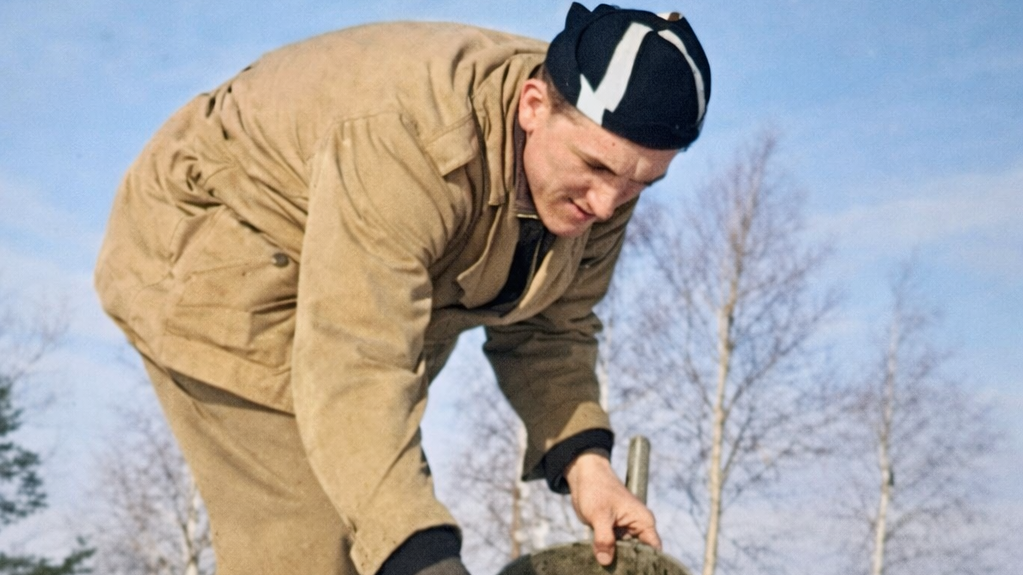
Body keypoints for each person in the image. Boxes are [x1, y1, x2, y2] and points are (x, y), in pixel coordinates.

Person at [94, 3, 710, 574]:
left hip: (365, 283)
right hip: (224, 245)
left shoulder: (602, 175)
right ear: (532, 105)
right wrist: (420, 553)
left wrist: (587, 463)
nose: (607, 205)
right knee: (316, 541)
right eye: (596, 167)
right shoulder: (415, 136)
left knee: (379, 516)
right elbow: (357, 357)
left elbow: (553, 326)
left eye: (640, 184)